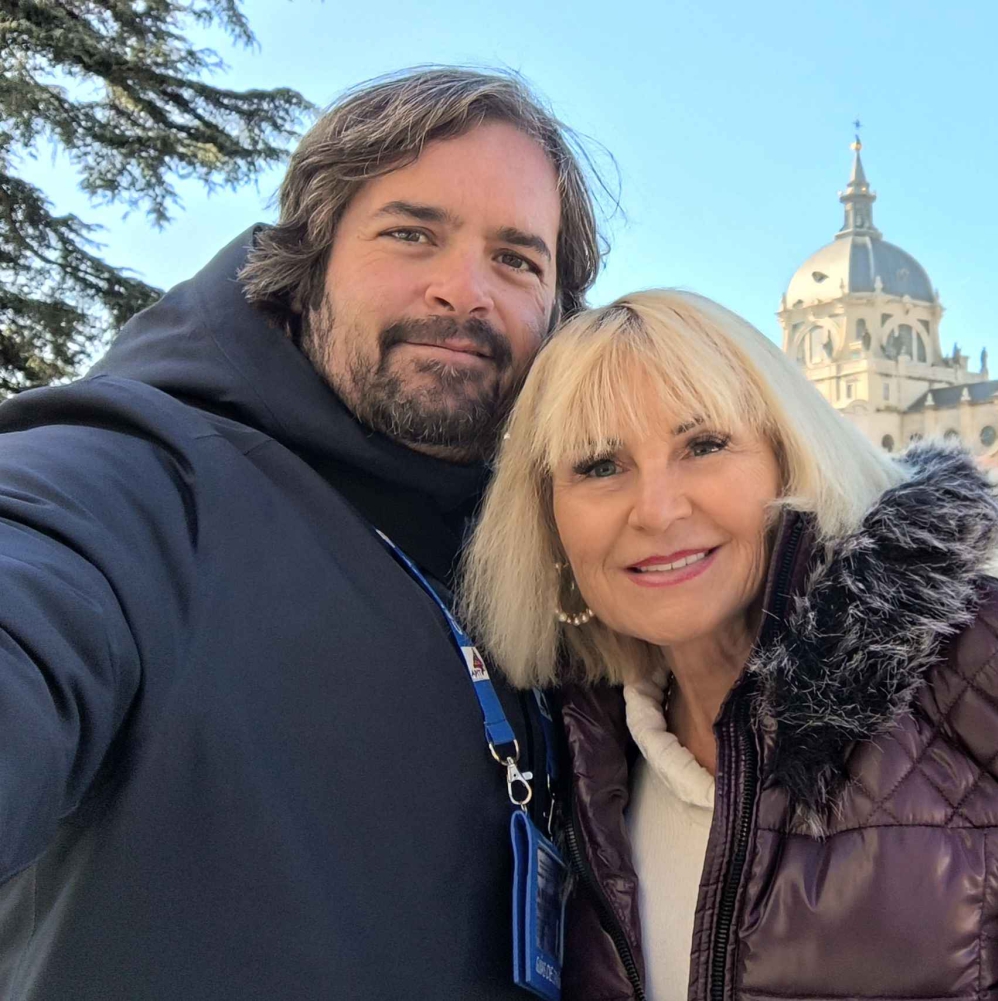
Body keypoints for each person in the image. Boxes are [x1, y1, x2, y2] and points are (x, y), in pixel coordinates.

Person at [458, 290, 998, 1000]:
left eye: (704, 444)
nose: (656, 508)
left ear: (791, 457)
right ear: (549, 520)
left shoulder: (987, 673)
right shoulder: (567, 748)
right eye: (599, 465)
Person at [0, 68, 605, 998]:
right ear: (310, 260)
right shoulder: (142, 475)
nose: (464, 291)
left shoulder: (561, 569)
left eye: (518, 260)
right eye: (412, 234)